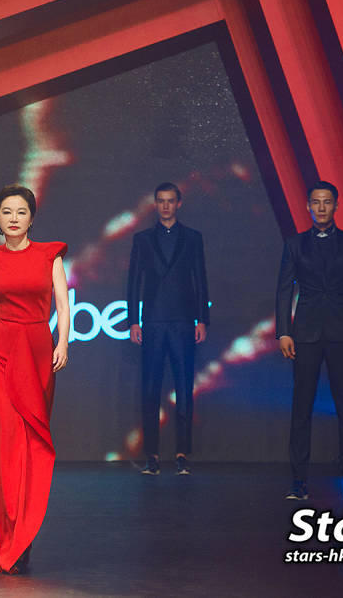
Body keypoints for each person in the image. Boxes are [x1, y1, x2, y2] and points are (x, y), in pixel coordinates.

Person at [0, 185, 69, 575]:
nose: (13, 218)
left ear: (32, 218)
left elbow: (63, 306)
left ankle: (25, 532)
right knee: (4, 446)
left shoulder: (50, 255)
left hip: (37, 352)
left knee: (31, 443)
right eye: (6, 212)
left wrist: (63, 342)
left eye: (21, 212)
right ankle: (11, 536)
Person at [276, 181, 343, 501]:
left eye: (327, 202)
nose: (321, 207)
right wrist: (284, 332)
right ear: (308, 207)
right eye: (316, 202)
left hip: (342, 334)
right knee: (301, 407)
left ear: (336, 205)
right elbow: (284, 290)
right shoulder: (294, 244)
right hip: (304, 334)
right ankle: (298, 482)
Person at [127, 182, 209, 476]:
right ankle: (152, 455)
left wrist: (202, 319)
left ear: (179, 203)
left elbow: (200, 278)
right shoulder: (142, 239)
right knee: (150, 388)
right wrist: (133, 321)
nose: (165, 205)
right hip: (152, 322)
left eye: (170, 200)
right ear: (155, 204)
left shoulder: (193, 238)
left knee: (184, 388)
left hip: (184, 322)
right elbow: (134, 282)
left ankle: (182, 454)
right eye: (160, 200)